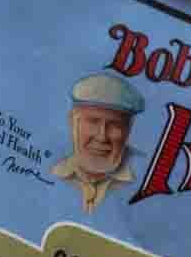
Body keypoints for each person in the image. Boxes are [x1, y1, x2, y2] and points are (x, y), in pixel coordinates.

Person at [48, 72, 145, 213]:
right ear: (72, 122)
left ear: (128, 130)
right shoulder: (53, 174)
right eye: (92, 121)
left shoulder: (146, 179)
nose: (101, 136)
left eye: (115, 125)